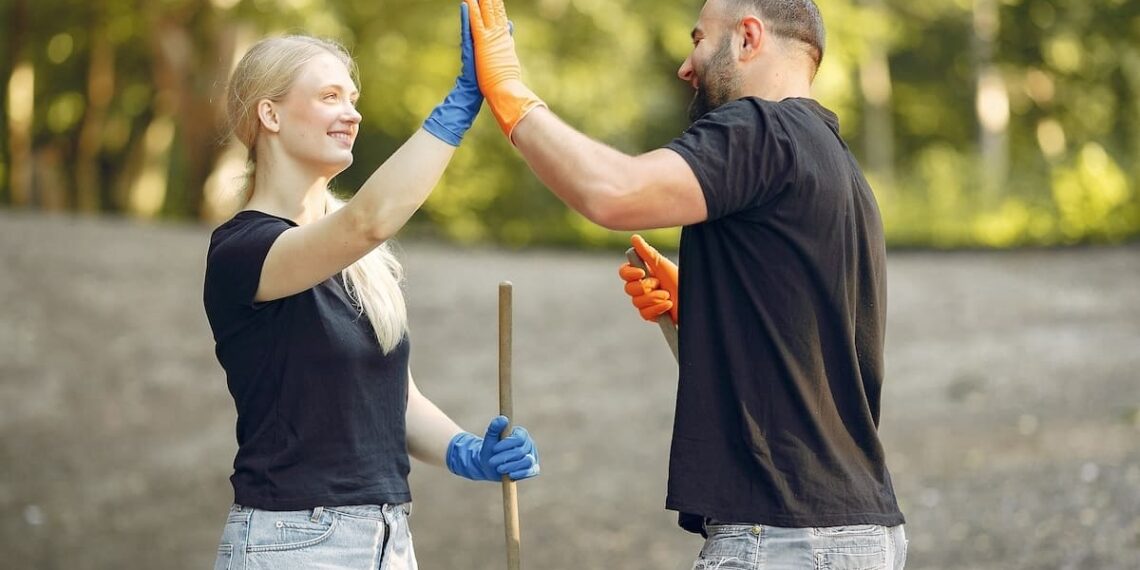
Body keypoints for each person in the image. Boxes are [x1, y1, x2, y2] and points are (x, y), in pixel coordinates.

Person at [463, 0, 906, 567]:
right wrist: (698, 311)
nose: (685, 66)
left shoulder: (760, 127)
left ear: (747, 38)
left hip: (785, 537)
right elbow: (797, 354)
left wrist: (508, 94)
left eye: (699, 39)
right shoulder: (837, 165)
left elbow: (612, 191)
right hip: (857, 529)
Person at [202, 9, 539, 569]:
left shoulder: (366, 267)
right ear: (270, 114)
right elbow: (368, 220)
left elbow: (394, 401)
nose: (352, 113)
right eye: (330, 96)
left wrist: (467, 450)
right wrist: (462, 101)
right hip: (292, 542)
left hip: (388, 540)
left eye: (352, 98)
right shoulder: (242, 251)